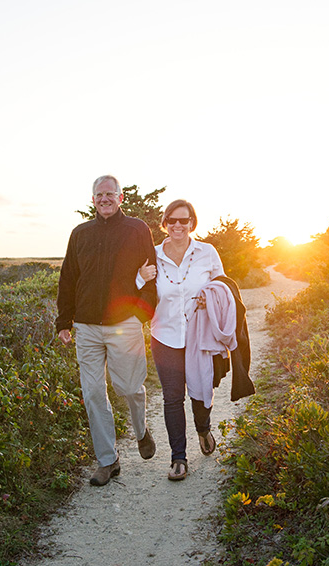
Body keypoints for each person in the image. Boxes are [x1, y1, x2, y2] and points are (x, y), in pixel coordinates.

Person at [56, 175, 158, 487]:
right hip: (86, 327)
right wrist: (64, 322)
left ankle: (141, 430)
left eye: (109, 194)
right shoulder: (80, 233)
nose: (104, 199)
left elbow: (151, 274)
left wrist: (140, 314)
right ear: (93, 200)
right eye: (99, 195)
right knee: (92, 393)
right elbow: (68, 278)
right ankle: (107, 460)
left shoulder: (137, 229)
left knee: (129, 387)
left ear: (120, 197)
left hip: (123, 325)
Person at [139, 199, 228, 481]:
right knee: (172, 397)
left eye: (184, 220)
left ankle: (203, 428)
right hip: (164, 335)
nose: (178, 225)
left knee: (201, 389)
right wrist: (140, 277)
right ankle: (178, 458)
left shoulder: (207, 252)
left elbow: (223, 287)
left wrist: (209, 297)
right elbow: (136, 291)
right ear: (165, 223)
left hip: (199, 335)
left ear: (192, 223)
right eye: (172, 220)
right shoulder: (151, 255)